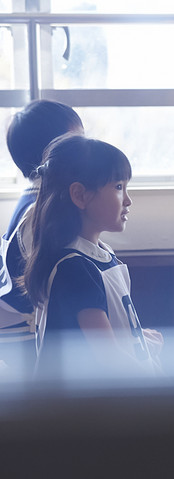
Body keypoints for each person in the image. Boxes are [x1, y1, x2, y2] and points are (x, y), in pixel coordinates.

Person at [20, 135, 162, 379]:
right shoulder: (75, 268)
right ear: (80, 195)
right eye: (118, 187)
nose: (128, 200)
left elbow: (110, 332)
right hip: (84, 411)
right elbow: (108, 357)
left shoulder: (101, 254)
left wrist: (139, 338)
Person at [1, 100, 84, 378]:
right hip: (21, 332)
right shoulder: (40, 211)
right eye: (78, 142)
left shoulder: (35, 199)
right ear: (54, 153)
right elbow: (55, 281)